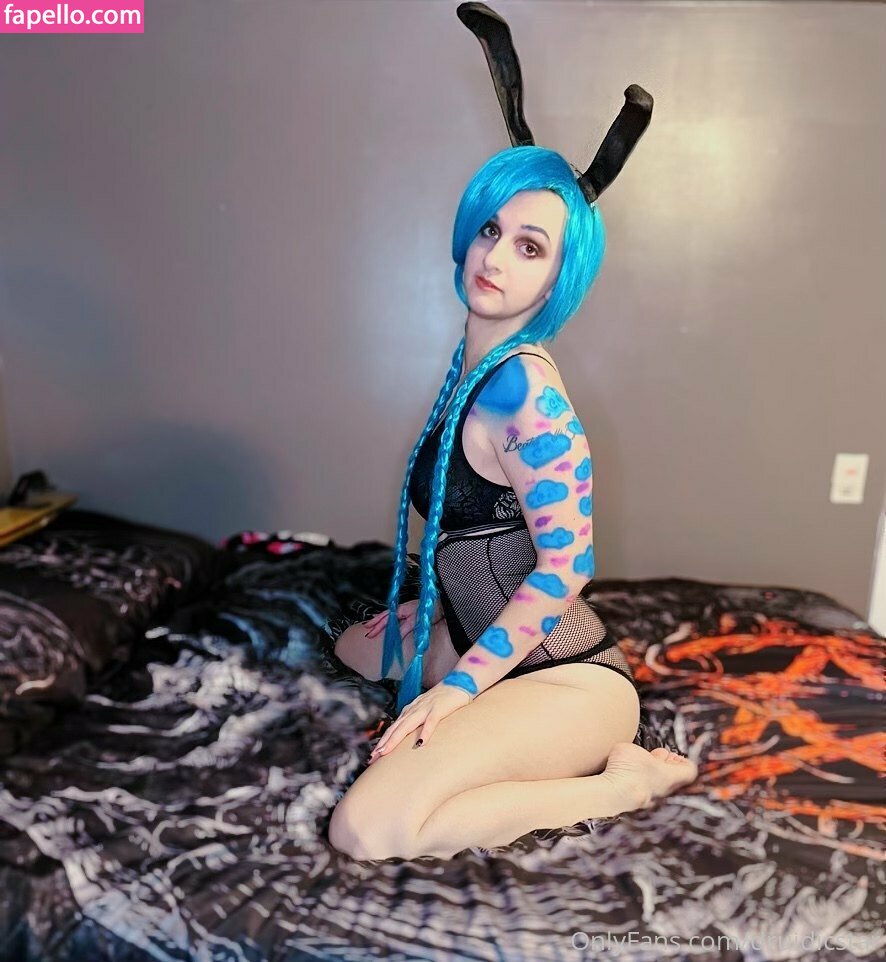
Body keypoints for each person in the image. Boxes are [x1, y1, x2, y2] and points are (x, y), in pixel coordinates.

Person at [329, 2, 697, 862]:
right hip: (480, 630)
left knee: (368, 827)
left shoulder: (529, 397)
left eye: (530, 247)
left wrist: (456, 691)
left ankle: (627, 781)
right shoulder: (476, 366)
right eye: (491, 230)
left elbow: (568, 565)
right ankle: (459, 669)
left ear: (560, 273)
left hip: (568, 677)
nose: (494, 257)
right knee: (349, 646)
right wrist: (439, 610)